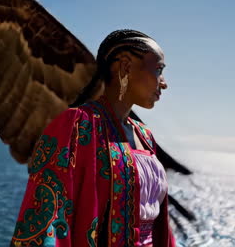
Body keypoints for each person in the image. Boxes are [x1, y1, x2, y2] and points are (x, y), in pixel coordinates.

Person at [10, 29, 176, 247]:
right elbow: (47, 217)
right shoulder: (77, 126)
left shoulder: (145, 136)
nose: (163, 83)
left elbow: (160, 228)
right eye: (158, 70)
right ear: (125, 66)